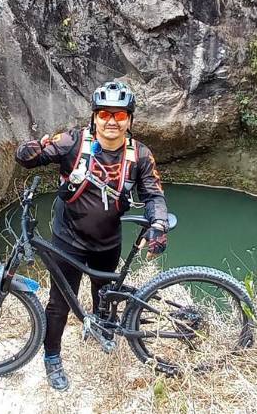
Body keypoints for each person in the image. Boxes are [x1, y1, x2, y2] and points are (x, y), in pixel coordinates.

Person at [15, 81, 169, 392]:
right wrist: (29, 150)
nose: (111, 122)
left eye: (120, 116)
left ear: (130, 119)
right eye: (104, 114)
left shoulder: (139, 155)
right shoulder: (73, 141)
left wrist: (159, 225)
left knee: (105, 295)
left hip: (108, 240)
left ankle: (102, 330)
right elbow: (30, 157)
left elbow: (154, 194)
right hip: (67, 238)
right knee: (59, 304)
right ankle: (52, 358)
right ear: (94, 117)